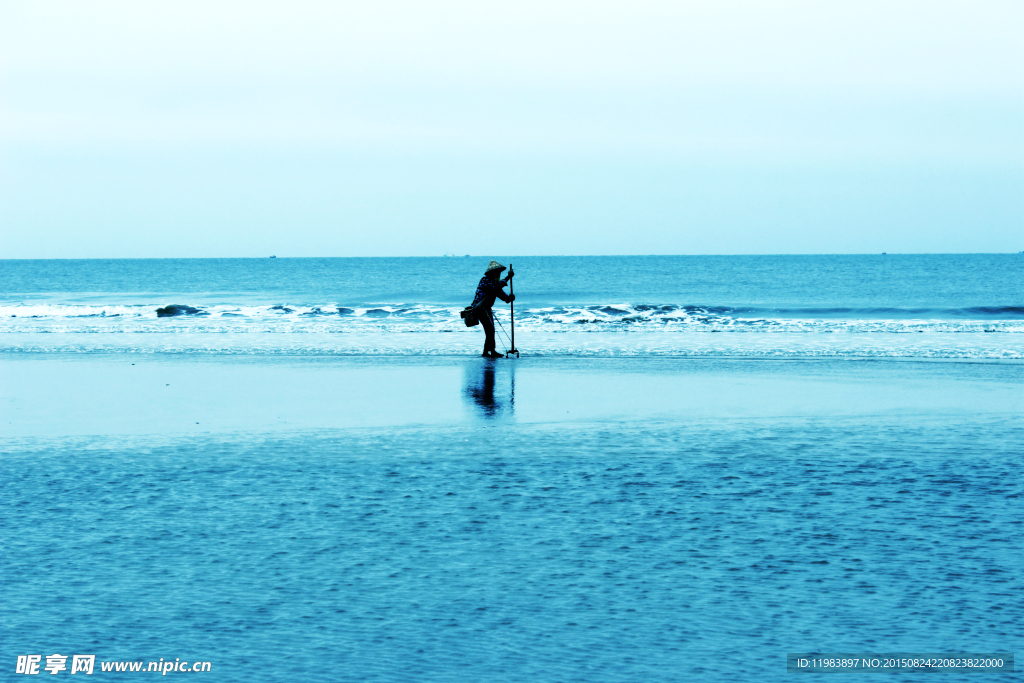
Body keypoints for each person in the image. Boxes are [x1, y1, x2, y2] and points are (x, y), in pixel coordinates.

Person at [471, 260, 515, 358]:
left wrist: (510, 298)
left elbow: (502, 295)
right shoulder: (485, 280)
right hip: (480, 308)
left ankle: (489, 351)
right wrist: (508, 277)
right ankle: (489, 351)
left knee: (490, 330)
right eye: (497, 272)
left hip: (486, 308)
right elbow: (496, 288)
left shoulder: (495, 283)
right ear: (492, 273)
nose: (499, 274)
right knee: (490, 329)